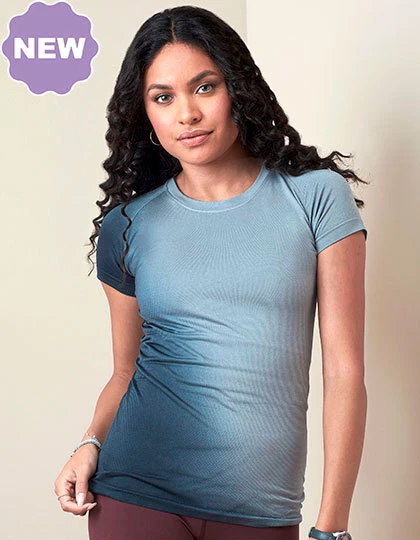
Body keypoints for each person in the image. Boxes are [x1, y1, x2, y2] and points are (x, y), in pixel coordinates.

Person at [53, 6, 368, 540]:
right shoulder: (128, 225)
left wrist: (331, 527)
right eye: (163, 97)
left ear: (237, 90)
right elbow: (125, 371)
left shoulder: (315, 197)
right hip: (134, 491)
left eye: (204, 87)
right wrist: (90, 443)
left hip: (259, 509)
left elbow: (344, 372)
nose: (187, 114)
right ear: (144, 113)